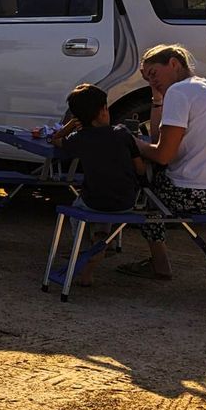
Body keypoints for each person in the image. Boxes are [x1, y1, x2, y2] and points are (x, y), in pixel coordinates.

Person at [120, 43, 206, 281]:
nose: (152, 81)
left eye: (154, 73)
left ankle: (155, 261)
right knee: (152, 180)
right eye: (147, 78)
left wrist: (132, 143)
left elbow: (162, 155)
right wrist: (157, 97)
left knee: (144, 187)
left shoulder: (180, 92)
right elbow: (158, 140)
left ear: (173, 63)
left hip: (196, 195)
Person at [50, 83, 146, 284]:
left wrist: (70, 125)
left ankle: (86, 247)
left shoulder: (80, 139)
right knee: (107, 201)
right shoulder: (123, 134)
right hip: (126, 201)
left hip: (94, 201)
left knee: (78, 211)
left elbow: (56, 140)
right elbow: (140, 169)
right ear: (103, 111)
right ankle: (101, 239)